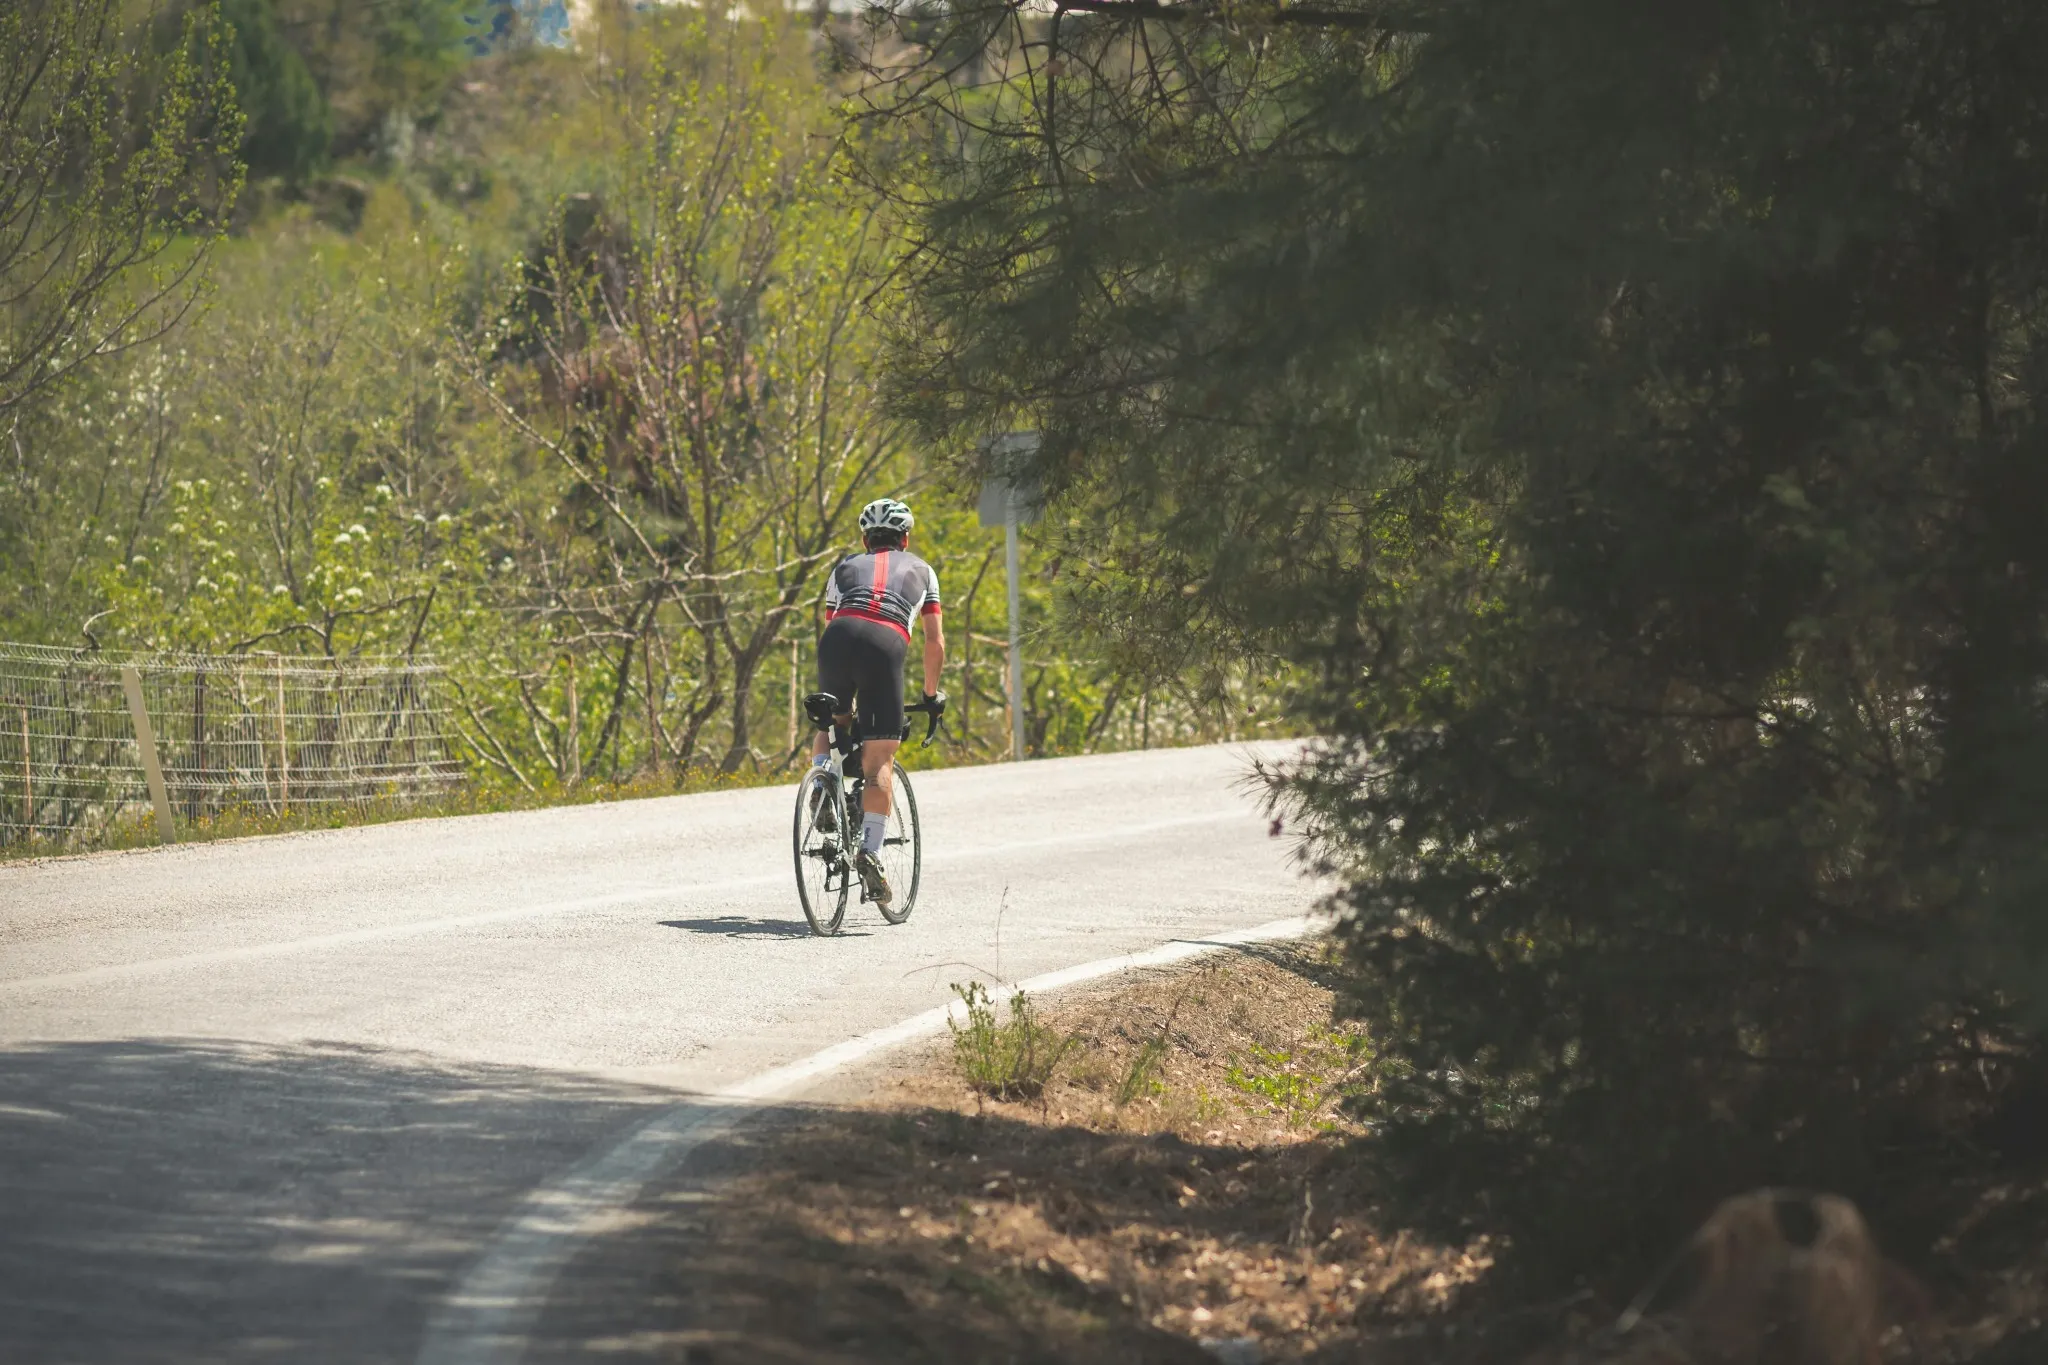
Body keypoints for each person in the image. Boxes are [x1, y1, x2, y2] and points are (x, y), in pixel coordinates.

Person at [810, 497, 945, 906]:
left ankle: (821, 779)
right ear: (906, 537)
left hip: (837, 638)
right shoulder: (923, 570)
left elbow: (834, 620)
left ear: (864, 538)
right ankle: (870, 849)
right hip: (886, 643)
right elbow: (934, 641)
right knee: (879, 760)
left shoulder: (844, 567)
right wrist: (929, 695)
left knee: (831, 721)